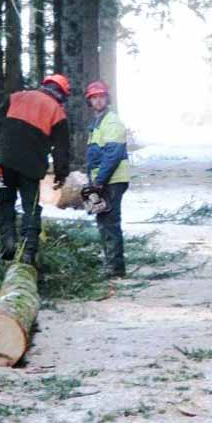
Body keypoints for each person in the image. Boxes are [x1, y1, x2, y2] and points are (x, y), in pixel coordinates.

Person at [0, 74, 71, 265]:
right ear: (61, 94)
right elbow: (61, 148)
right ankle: (28, 251)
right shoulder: (57, 112)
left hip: (4, 159)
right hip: (31, 165)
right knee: (30, 206)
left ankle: (8, 241)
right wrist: (61, 173)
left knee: (5, 201)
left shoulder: (16, 97)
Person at [84, 80, 131, 277]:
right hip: (103, 179)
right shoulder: (97, 123)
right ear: (90, 101)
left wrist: (99, 181)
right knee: (103, 220)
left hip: (112, 180)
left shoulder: (111, 121)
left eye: (101, 96)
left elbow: (113, 154)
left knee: (110, 221)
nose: (98, 100)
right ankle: (111, 264)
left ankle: (115, 268)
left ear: (107, 98)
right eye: (94, 97)